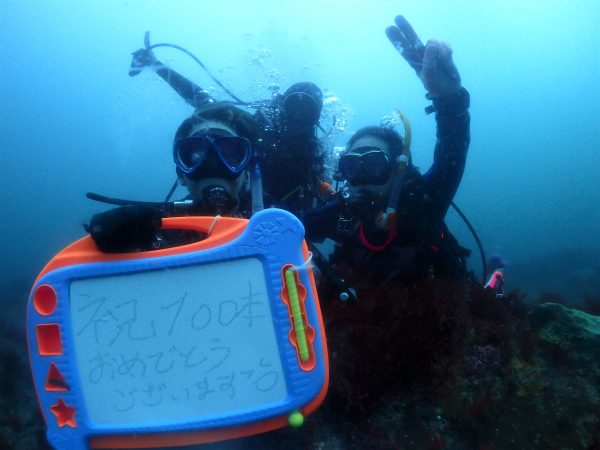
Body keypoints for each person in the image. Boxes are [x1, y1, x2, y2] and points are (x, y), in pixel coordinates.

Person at [304, 15, 472, 289]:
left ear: (398, 169)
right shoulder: (341, 214)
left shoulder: (423, 202)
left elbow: (452, 152)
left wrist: (449, 100)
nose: (361, 177)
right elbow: (287, 228)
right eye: (351, 166)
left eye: (373, 163)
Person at [129, 43, 328, 217]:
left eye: (307, 112)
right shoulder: (257, 129)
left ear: (316, 119)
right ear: (281, 105)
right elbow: (203, 100)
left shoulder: (314, 153)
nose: (298, 116)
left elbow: (324, 192)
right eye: (293, 107)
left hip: (287, 214)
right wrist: (156, 65)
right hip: (239, 199)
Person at [87, 101, 260, 252]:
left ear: (247, 170)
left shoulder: (271, 208)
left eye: (229, 155)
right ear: (181, 174)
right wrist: (123, 247)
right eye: (195, 156)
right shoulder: (159, 228)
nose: (212, 167)